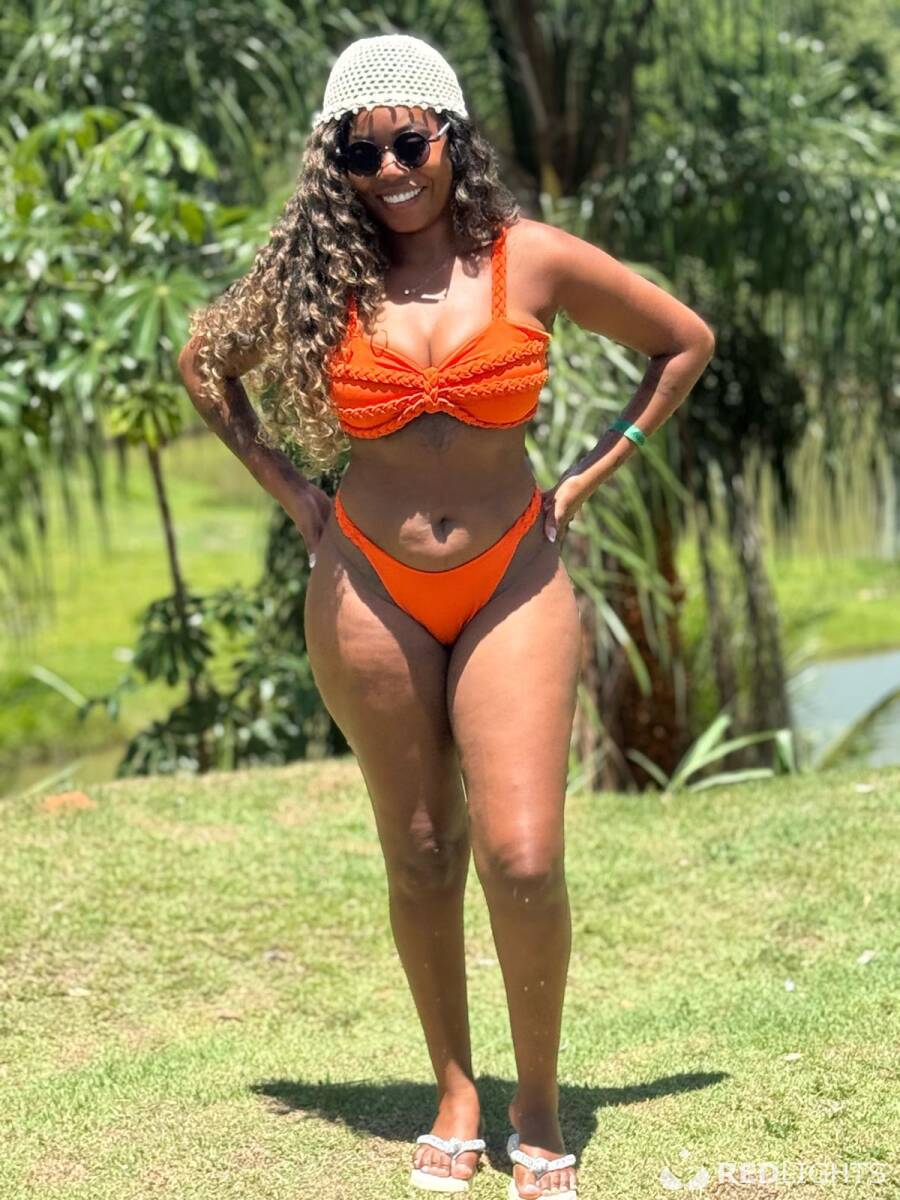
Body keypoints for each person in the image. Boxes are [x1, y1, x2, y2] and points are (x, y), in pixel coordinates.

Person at [178, 32, 715, 1199]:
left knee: (522, 856)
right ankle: (456, 1095)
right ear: (336, 166)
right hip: (367, 585)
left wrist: (585, 478)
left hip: (513, 574)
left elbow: (683, 343)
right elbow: (204, 362)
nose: (389, 170)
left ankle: (538, 1102)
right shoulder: (323, 281)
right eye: (359, 153)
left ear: (450, 139)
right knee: (421, 854)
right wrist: (295, 496)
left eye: (408, 142)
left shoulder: (531, 259)